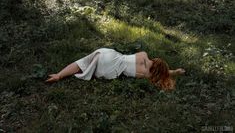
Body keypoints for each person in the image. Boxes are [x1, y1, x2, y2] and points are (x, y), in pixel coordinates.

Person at [46, 48, 185, 90]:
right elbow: (163, 73)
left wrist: (174, 70)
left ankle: (59, 75)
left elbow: (160, 69)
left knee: (82, 62)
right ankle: (86, 71)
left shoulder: (144, 55)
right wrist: (175, 72)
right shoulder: (146, 74)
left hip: (109, 56)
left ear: (155, 60)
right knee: (88, 66)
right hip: (108, 72)